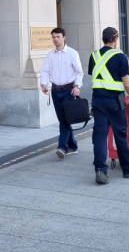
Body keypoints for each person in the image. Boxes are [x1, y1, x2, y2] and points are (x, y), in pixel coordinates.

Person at [89, 27, 129, 185]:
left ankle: (100, 171)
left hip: (98, 102)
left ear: (103, 39)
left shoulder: (94, 56)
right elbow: (127, 84)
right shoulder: (120, 57)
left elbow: (96, 77)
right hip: (115, 103)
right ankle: (128, 168)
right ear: (116, 39)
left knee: (99, 136)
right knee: (120, 135)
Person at [40, 27, 84, 159]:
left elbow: (79, 72)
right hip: (55, 90)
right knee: (63, 119)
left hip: (69, 90)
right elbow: (45, 71)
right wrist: (44, 83)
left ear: (64, 38)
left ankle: (62, 147)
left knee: (65, 119)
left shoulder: (72, 53)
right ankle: (73, 145)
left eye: (58, 37)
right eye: (54, 37)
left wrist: (77, 86)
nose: (56, 39)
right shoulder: (51, 55)